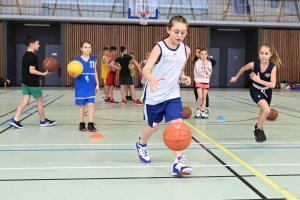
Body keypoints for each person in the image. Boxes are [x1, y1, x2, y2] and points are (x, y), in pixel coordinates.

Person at [135, 15, 192, 176]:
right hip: (155, 94)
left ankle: (178, 163)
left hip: (173, 94)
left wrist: (184, 77)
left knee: (178, 124)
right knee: (154, 126)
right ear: (168, 30)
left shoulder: (186, 50)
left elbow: (179, 69)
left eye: (183, 32)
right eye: (176, 31)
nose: (179, 35)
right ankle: (141, 144)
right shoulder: (159, 47)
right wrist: (152, 79)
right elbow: (146, 69)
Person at [230, 42, 282, 142]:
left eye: (266, 54)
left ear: (271, 54)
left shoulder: (273, 67)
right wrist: (236, 77)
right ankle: (258, 130)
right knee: (267, 110)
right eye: (262, 53)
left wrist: (259, 80)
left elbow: (272, 84)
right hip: (255, 90)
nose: (263, 56)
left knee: (262, 112)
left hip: (267, 91)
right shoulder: (254, 64)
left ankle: (260, 128)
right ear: (259, 53)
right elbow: (243, 68)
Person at [10, 35, 56, 129]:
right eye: (37, 44)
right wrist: (43, 74)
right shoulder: (33, 56)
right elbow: (31, 70)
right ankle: (43, 121)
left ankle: (15, 119)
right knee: (40, 101)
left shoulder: (25, 54)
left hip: (25, 82)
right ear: (32, 44)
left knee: (25, 101)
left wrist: (37, 78)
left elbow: (27, 71)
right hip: (32, 84)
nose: (39, 45)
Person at [74, 40, 99, 132]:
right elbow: (73, 72)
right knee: (81, 105)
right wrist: (73, 74)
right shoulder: (76, 60)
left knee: (91, 104)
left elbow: (95, 71)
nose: (87, 49)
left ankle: (91, 124)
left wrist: (97, 84)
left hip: (90, 85)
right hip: (80, 85)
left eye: (89, 47)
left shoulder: (93, 59)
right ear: (81, 48)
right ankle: (81, 124)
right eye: (85, 47)